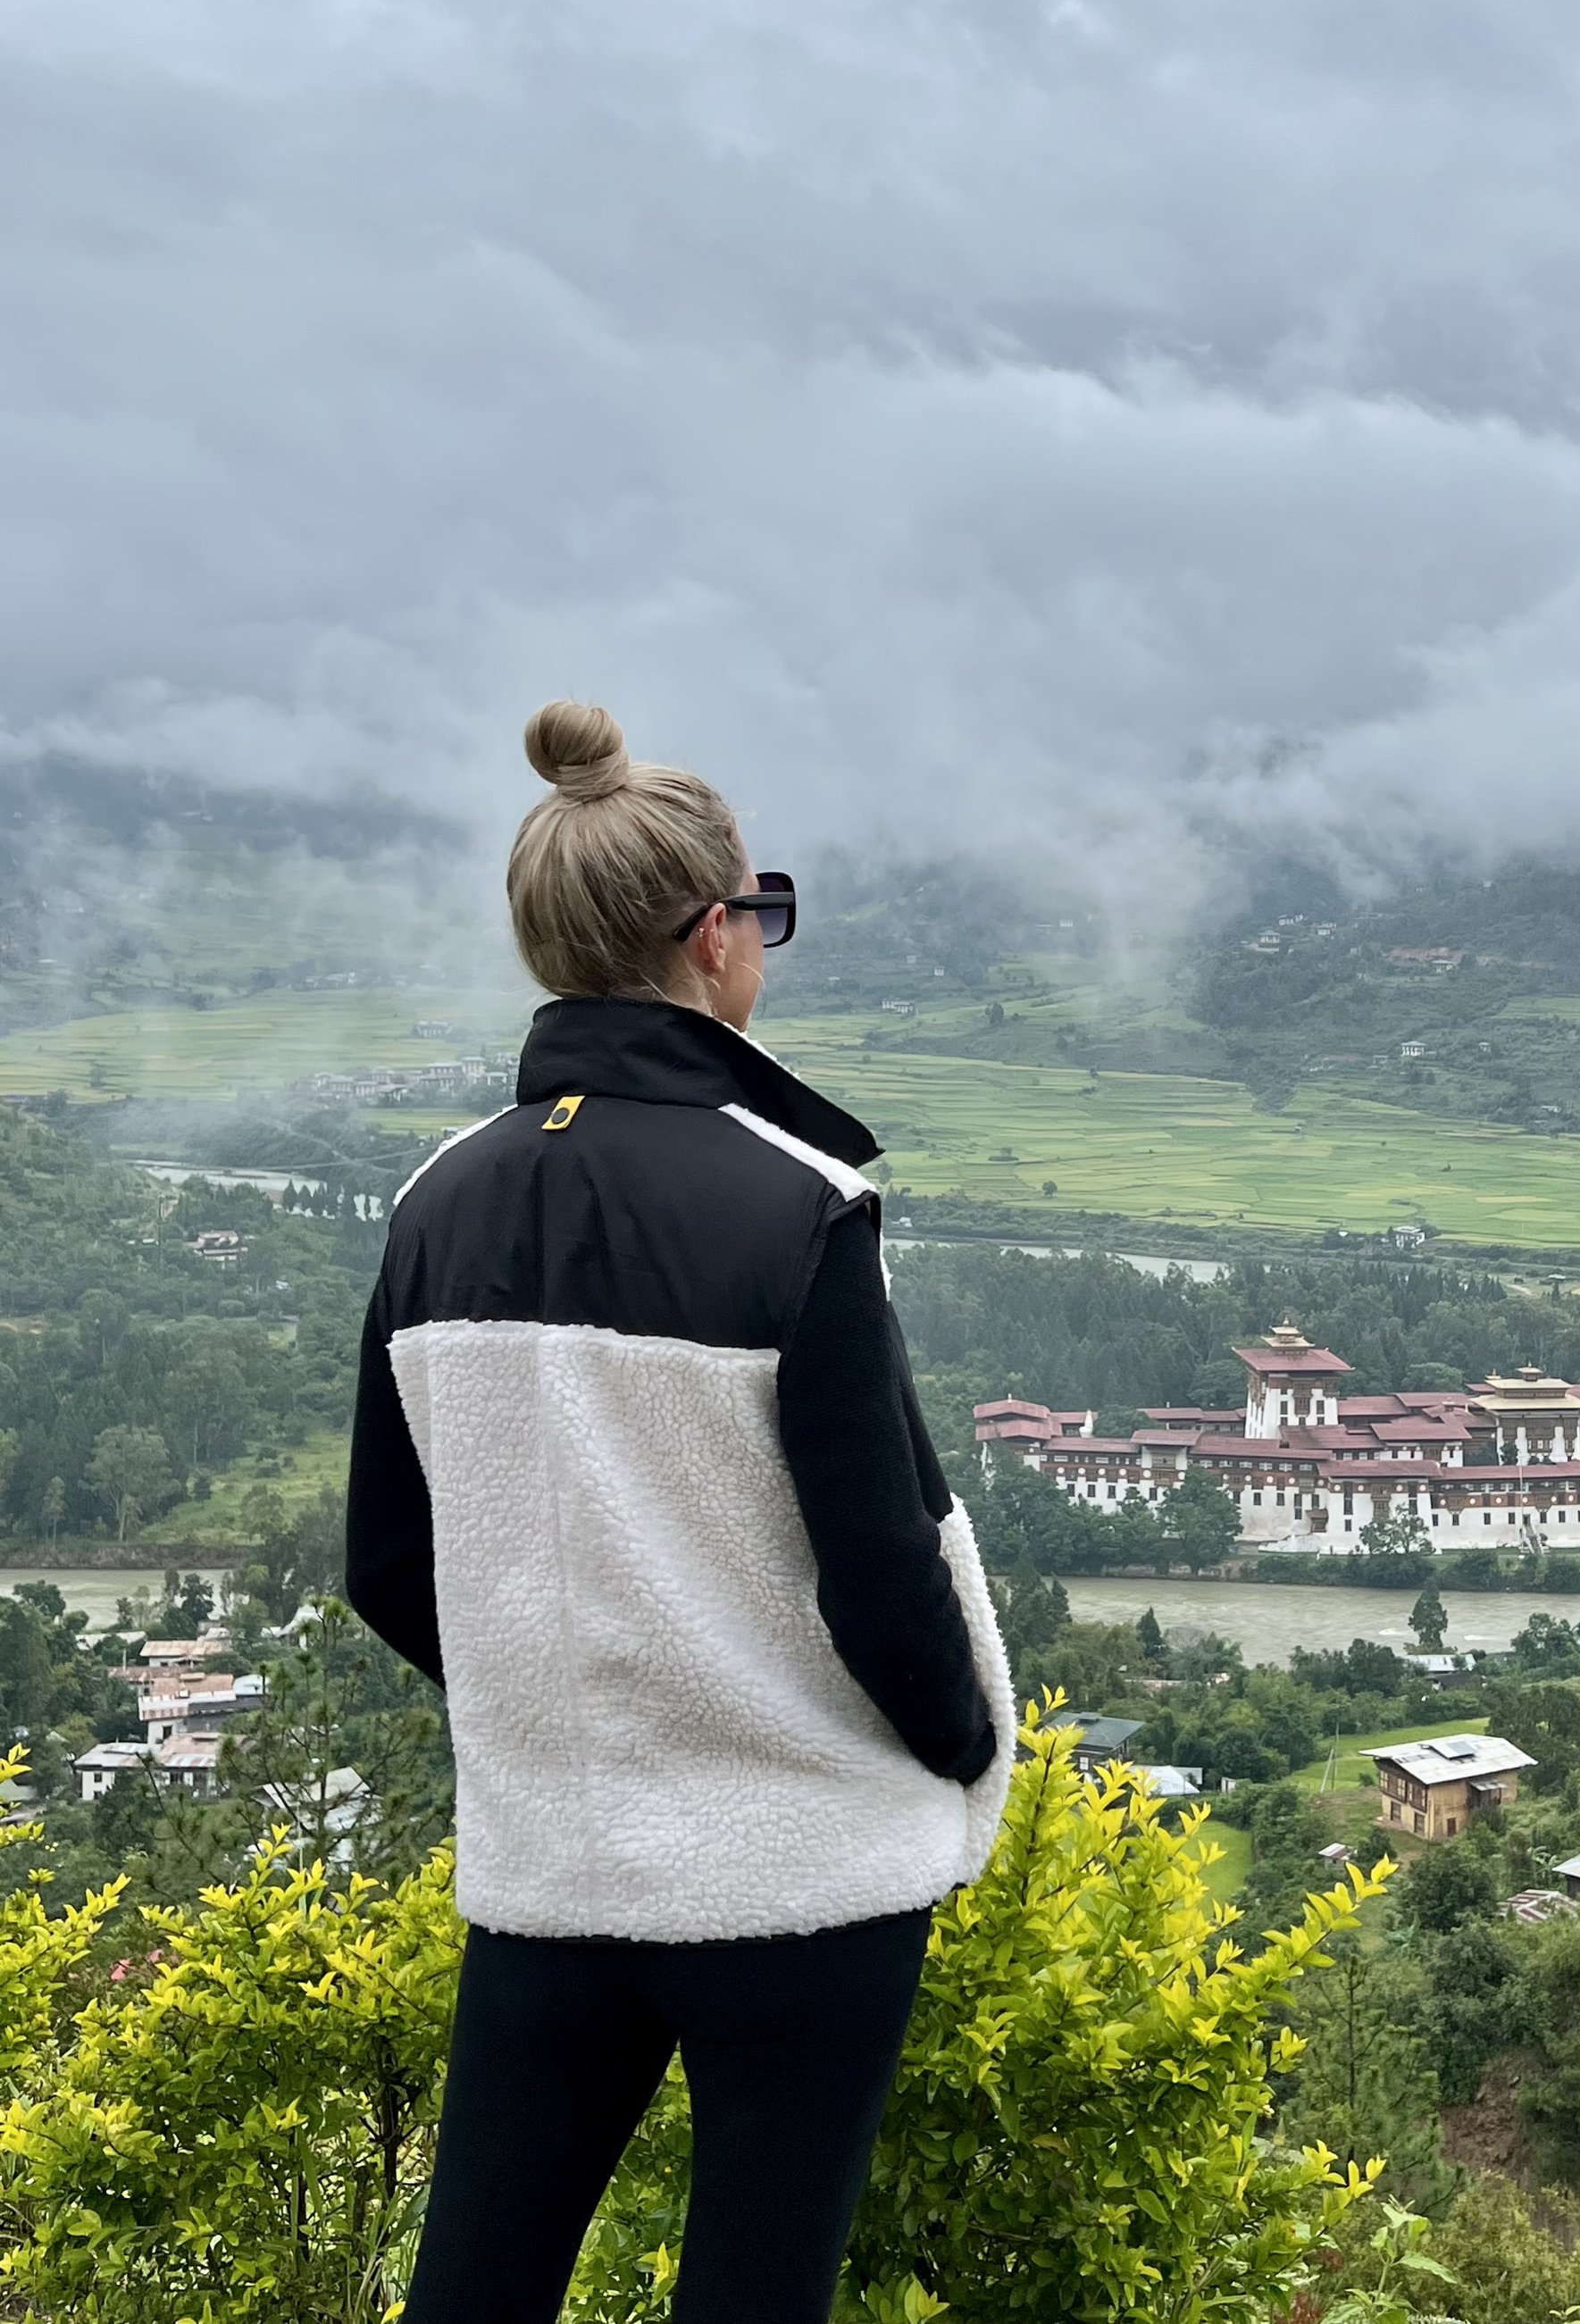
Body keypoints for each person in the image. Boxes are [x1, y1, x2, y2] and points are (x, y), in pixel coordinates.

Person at [346, 699, 1012, 2324]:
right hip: (796, 1869)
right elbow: (885, 1568)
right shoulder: (796, 1205)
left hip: (550, 1863)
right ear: (715, 935)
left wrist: (562, 1712)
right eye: (758, 916)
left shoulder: (437, 1202)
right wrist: (962, 1752)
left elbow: (386, 1562)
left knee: (476, 2290)